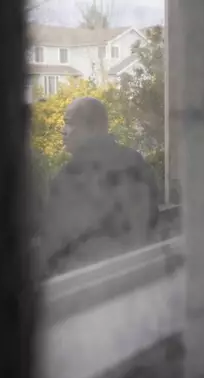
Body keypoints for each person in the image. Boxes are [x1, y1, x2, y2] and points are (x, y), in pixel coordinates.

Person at [37, 97, 159, 276]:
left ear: (92, 127)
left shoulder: (69, 178)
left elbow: (52, 248)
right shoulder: (135, 162)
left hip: (86, 283)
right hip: (138, 273)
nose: (63, 131)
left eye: (69, 123)